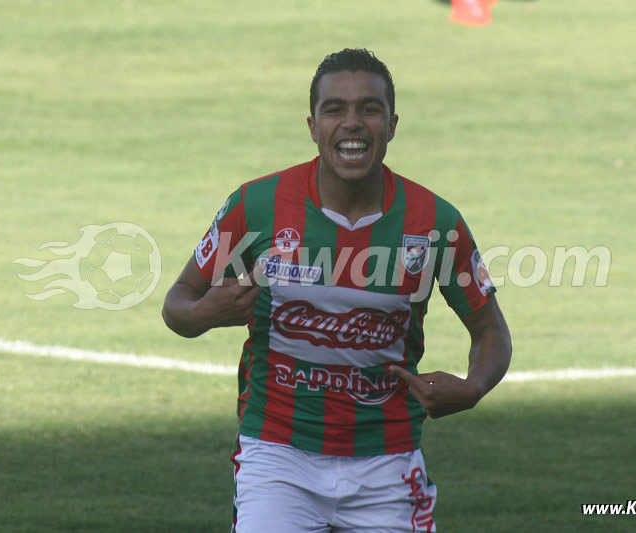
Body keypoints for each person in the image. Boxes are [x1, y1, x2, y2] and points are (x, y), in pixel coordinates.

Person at [162, 48, 512, 532]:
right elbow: (177, 301)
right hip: (277, 455)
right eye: (335, 109)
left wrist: (474, 387)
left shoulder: (435, 221)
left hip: (387, 462)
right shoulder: (256, 205)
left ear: (392, 125)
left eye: (369, 109)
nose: (352, 123)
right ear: (312, 125)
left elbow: (490, 329)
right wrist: (204, 314)